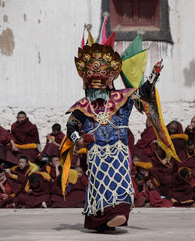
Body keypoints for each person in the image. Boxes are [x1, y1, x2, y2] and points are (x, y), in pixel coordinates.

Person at [64, 34, 167, 232]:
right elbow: (70, 127)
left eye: (101, 76)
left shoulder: (123, 97)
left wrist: (154, 76)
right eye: (92, 79)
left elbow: (143, 93)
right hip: (95, 153)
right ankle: (102, 222)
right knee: (99, 187)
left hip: (118, 150)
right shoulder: (82, 106)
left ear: (109, 79)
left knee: (120, 181)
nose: (97, 82)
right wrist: (79, 141)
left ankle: (119, 215)